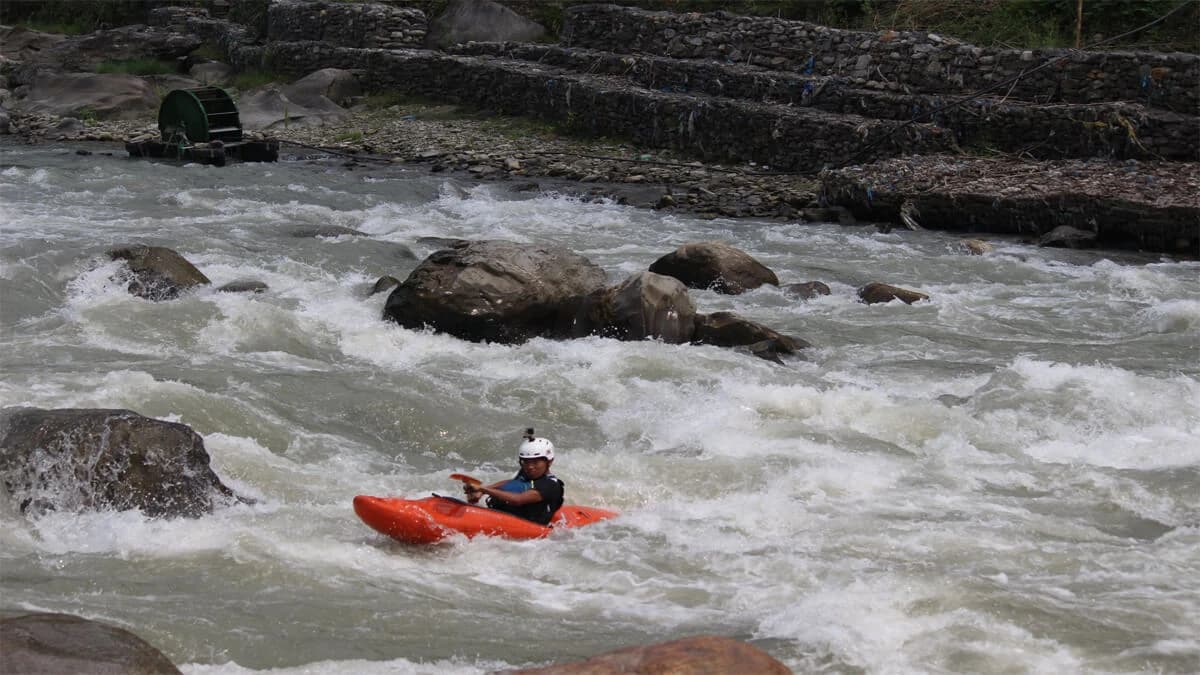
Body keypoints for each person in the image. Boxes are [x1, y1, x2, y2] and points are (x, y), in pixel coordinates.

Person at [464, 428, 564, 525]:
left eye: (535, 462)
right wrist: (481, 491)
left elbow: (518, 500)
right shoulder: (527, 471)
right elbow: (512, 483)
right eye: (525, 461)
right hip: (506, 515)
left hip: (528, 526)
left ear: (549, 461)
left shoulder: (550, 485)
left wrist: (484, 489)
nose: (530, 467)